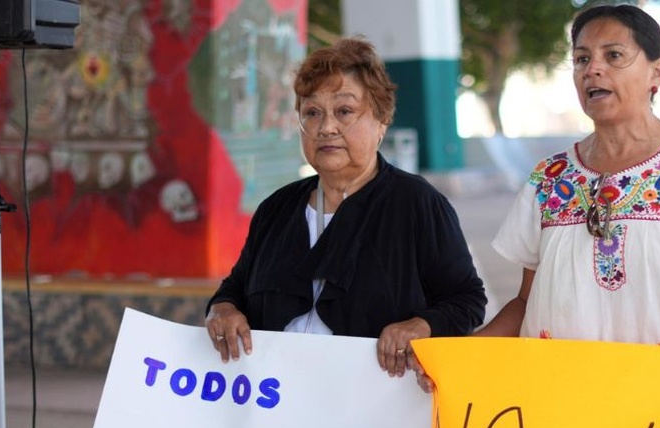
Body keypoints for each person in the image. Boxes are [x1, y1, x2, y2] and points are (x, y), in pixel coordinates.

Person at [414, 4, 660, 428]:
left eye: (613, 55)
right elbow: (527, 303)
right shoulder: (550, 180)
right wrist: (458, 360)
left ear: (657, 72)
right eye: (582, 58)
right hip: (568, 422)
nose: (594, 70)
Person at [204, 37, 486, 378]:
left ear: (381, 121)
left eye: (344, 111)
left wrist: (421, 326)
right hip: (272, 409)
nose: (326, 128)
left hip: (369, 409)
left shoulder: (417, 205)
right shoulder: (276, 209)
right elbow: (233, 289)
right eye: (312, 113)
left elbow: (466, 301)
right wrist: (222, 310)